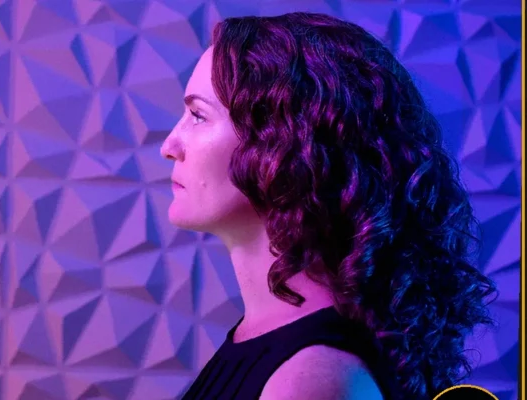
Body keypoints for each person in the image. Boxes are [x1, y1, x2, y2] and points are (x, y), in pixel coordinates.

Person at [160, 12, 497, 400]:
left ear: (283, 145)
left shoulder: (309, 382)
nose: (169, 146)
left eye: (198, 115)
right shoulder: (269, 340)